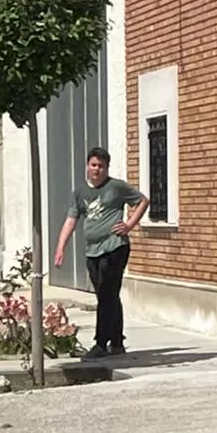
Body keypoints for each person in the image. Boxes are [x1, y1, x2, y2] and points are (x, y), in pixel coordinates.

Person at [54, 147, 150, 360]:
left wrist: (129, 225)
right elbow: (71, 220)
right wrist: (61, 247)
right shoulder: (79, 193)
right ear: (87, 166)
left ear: (107, 168)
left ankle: (100, 343)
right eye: (93, 165)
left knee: (107, 295)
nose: (96, 169)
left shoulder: (116, 187)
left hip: (115, 247)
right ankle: (116, 342)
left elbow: (143, 200)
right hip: (92, 251)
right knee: (108, 295)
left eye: (101, 166)